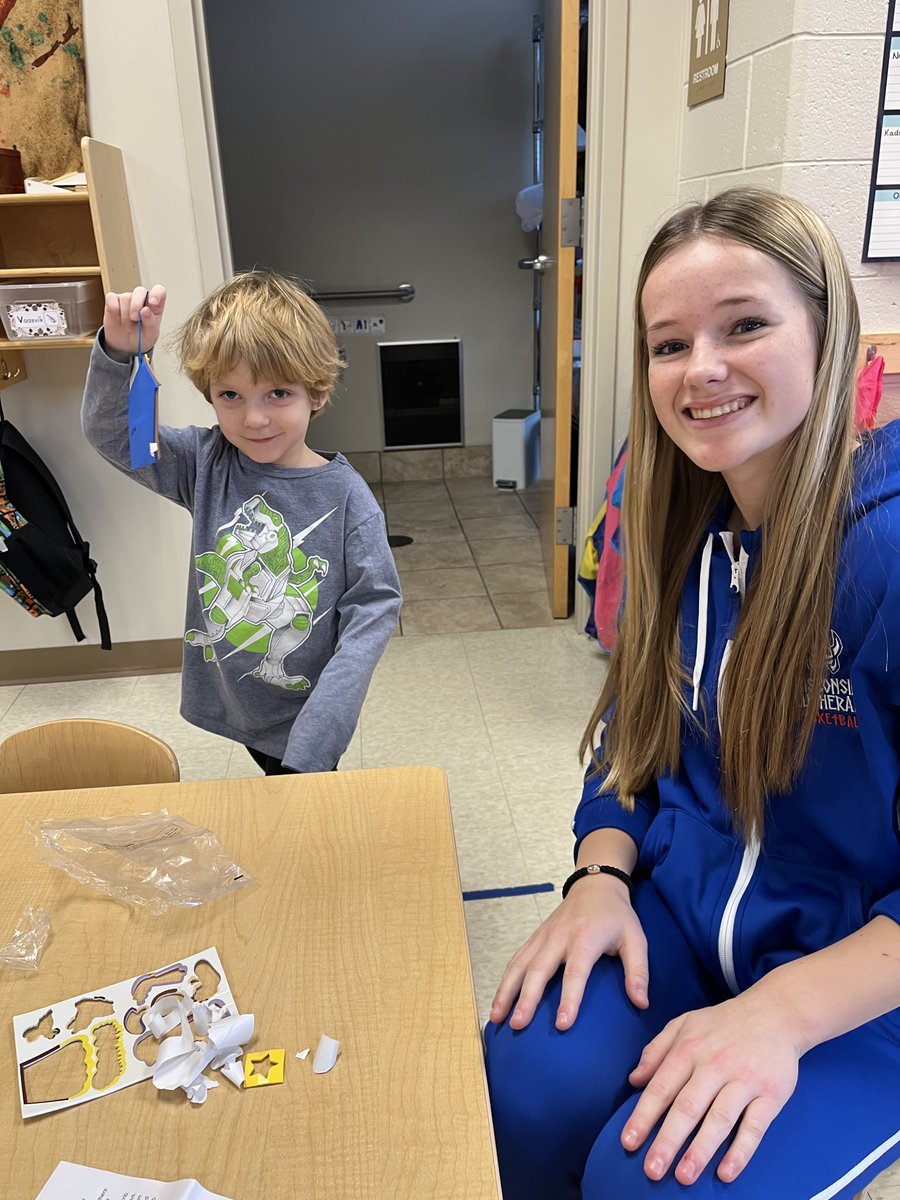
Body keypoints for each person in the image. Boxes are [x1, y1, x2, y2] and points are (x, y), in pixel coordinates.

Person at [484, 188, 900, 1198]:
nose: (702, 369)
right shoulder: (686, 520)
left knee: (653, 1182)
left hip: (863, 985)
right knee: (524, 1073)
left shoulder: (884, 552)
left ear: (827, 333)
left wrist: (784, 1013)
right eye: (670, 345)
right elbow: (639, 731)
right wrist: (599, 878)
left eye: (746, 325)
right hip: (691, 911)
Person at [82, 271, 402, 774]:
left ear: (315, 393)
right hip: (240, 705)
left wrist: (316, 741)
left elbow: (373, 610)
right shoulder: (205, 463)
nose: (254, 419)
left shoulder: (347, 498)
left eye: (278, 394)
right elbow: (116, 436)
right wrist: (124, 357)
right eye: (230, 396)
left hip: (305, 725)